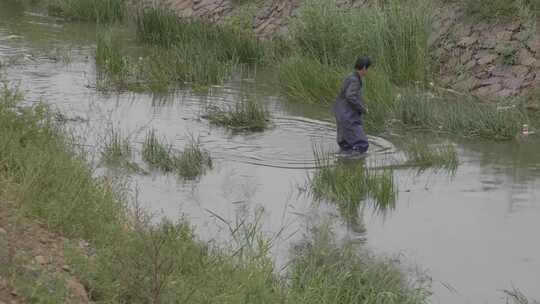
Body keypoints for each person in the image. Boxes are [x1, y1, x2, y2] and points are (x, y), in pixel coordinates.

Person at [333, 56, 371, 154]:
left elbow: (346, 95)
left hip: (340, 112)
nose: (368, 71)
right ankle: (354, 165)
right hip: (348, 116)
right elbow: (350, 96)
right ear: (363, 68)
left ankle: (344, 164)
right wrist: (363, 109)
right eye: (368, 69)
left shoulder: (350, 76)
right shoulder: (355, 80)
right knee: (362, 144)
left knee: (345, 145)